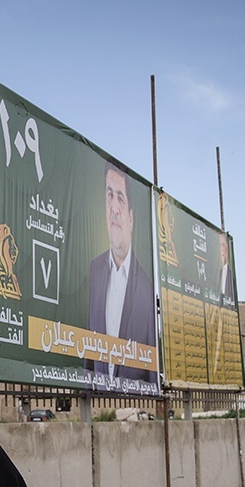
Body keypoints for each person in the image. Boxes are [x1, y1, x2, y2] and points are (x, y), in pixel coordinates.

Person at [86, 160, 157, 384]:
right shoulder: (94, 271)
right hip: (97, 400)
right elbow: (88, 354)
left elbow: (152, 370)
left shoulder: (147, 288)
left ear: (131, 217)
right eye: (109, 196)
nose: (114, 208)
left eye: (120, 197)